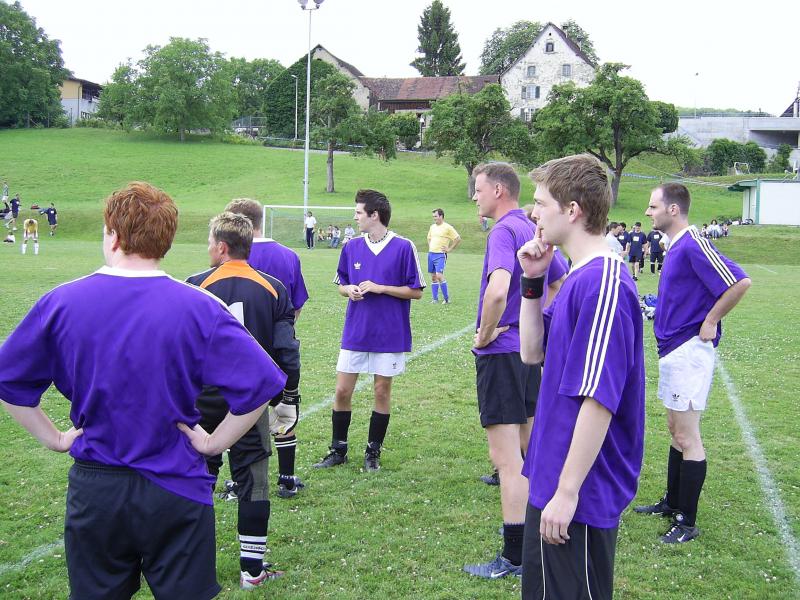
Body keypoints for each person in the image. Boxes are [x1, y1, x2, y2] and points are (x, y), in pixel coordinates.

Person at [0, 181, 287, 600]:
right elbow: (262, 384)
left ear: (112, 234)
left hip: (99, 492)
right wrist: (214, 443)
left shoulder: (60, 303)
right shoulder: (201, 307)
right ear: (165, 241)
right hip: (177, 490)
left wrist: (56, 438)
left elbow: (10, 381)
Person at [517, 153, 645, 599]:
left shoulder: (604, 282)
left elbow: (599, 399)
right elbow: (532, 352)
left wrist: (569, 490)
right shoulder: (578, 274)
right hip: (551, 478)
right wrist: (532, 281)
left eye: (540, 203)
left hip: (580, 490)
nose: (534, 213)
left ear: (572, 210)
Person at [187, 212, 301, 588]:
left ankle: (192, 564)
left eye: (209, 242)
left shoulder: (194, 285)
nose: (208, 248)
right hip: (249, 400)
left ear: (221, 246)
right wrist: (287, 397)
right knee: (254, 479)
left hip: (203, 400)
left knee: (197, 478)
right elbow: (287, 352)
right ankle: (252, 570)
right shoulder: (274, 288)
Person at [635, 183, 751, 543]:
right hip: (673, 350)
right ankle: (673, 502)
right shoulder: (676, 246)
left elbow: (739, 281)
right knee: (675, 429)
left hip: (689, 350)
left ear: (673, 209)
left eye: (653, 206)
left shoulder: (694, 242)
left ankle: (687, 521)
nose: (647, 212)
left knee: (687, 435)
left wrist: (711, 320)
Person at [463, 162, 541, 580]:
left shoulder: (504, 230)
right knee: (531, 449)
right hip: (527, 355)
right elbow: (557, 282)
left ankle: (514, 556)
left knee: (507, 459)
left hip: (502, 354)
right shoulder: (532, 228)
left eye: (478, 190)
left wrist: (484, 335)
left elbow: (497, 291)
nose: (474, 197)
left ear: (498, 190)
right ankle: (539, 533)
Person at [314, 189, 425, 472]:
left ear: (374, 215)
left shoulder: (404, 246)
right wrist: (348, 290)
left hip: (389, 333)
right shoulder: (351, 246)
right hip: (356, 331)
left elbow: (416, 291)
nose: (355, 217)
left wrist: (381, 288)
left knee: (381, 391)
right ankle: (338, 450)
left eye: (358, 212)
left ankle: (372, 452)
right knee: (342, 390)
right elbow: (341, 284)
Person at [224, 198, 308, 497]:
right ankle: (286, 477)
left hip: (236, 355)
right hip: (277, 350)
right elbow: (295, 307)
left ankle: (239, 481)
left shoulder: (230, 254)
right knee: (284, 411)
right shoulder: (288, 255)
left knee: (236, 417)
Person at [426, 208, 461, 304]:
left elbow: (457, 238)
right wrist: (431, 246)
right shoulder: (432, 227)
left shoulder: (448, 227)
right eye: (433, 216)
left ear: (441, 216)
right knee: (433, 277)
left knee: (439, 275)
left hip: (440, 255)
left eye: (436, 216)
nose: (434, 218)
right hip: (431, 254)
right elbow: (428, 238)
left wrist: (449, 249)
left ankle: (446, 299)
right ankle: (435, 299)